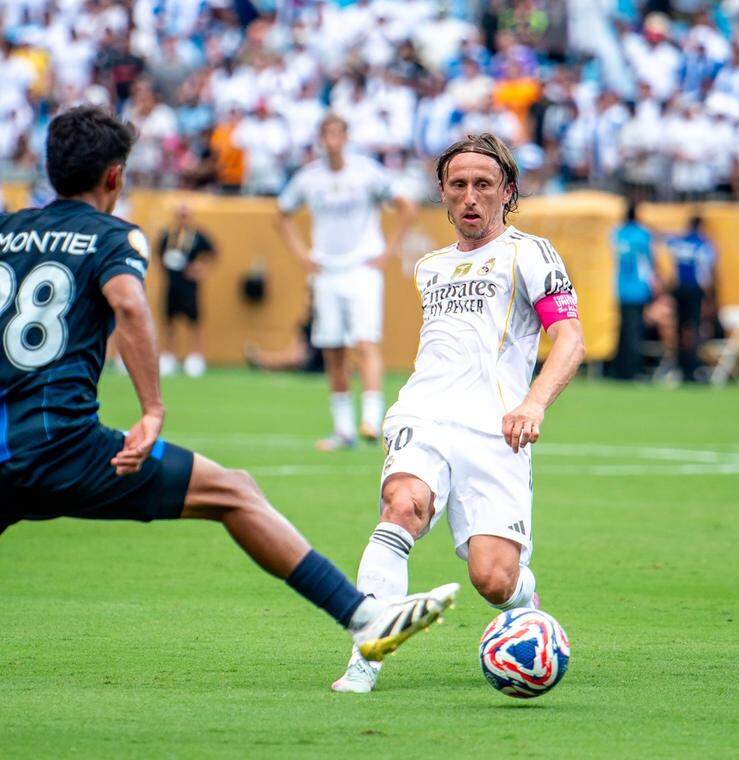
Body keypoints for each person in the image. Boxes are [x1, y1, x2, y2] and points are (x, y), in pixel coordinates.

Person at [0, 106, 456, 671]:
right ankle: (364, 617)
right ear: (115, 176)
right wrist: (151, 409)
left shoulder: (8, 231)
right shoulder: (113, 235)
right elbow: (129, 305)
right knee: (234, 492)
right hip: (69, 448)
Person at [329, 132, 586, 693]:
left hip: (497, 432)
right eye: (458, 184)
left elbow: (569, 338)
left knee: (493, 579)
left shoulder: (530, 253)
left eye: (484, 185)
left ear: (508, 191)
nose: (471, 196)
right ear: (443, 193)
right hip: (422, 415)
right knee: (401, 507)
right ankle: (365, 657)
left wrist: (533, 403)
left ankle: (525, 604)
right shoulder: (430, 266)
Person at [276, 113, 416, 451]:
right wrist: (302, 255)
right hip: (326, 270)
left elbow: (406, 207)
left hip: (361, 268)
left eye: (337, 134)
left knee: (365, 343)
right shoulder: (309, 178)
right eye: (327, 135)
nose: (332, 141)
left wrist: (388, 251)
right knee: (333, 350)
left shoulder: (367, 172)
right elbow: (281, 215)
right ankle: (343, 430)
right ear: (320, 139)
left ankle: (372, 421)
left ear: (346, 137)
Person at [156, 203, 216, 378]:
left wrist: (200, 268)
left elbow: (213, 253)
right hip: (171, 284)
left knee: (194, 322)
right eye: (180, 215)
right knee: (168, 321)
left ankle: (195, 357)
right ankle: (168, 356)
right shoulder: (168, 235)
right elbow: (158, 254)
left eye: (185, 216)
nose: (182, 219)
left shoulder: (198, 236)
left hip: (190, 286)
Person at [664, 214, 717, 383]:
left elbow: (664, 240)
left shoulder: (679, 241)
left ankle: (680, 364)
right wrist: (710, 296)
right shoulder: (703, 244)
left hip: (679, 288)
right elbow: (707, 271)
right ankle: (691, 367)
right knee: (693, 328)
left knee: (679, 328)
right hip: (695, 289)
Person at [611, 197, 656, 380]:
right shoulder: (643, 235)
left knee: (621, 330)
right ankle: (632, 371)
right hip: (638, 290)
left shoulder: (616, 233)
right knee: (635, 331)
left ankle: (618, 369)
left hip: (619, 289)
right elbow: (649, 263)